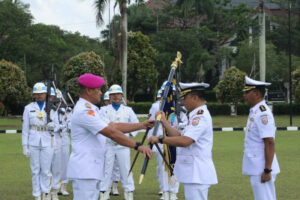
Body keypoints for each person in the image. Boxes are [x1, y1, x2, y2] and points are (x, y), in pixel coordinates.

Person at [66, 73, 153, 200]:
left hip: (91, 168)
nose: (101, 93)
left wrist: (141, 125)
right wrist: (138, 146)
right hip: (85, 170)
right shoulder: (84, 111)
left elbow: (113, 126)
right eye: (98, 90)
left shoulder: (92, 109)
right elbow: (111, 133)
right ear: (89, 91)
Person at [148, 82, 218, 200]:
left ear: (195, 98)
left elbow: (186, 141)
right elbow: (180, 135)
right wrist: (164, 122)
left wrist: (160, 139)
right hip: (192, 172)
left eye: (185, 98)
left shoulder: (200, 117)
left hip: (197, 173)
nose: (182, 102)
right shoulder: (194, 115)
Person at [99, 84, 140, 200]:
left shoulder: (128, 110)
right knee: (107, 170)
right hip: (109, 145)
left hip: (123, 145)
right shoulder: (103, 110)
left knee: (126, 169)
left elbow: (136, 124)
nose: (116, 96)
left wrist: (129, 134)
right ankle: (104, 193)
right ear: (110, 96)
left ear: (122, 95)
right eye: (113, 94)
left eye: (118, 94)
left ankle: (129, 192)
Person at [242, 76, 280, 200]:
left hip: (262, 168)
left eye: (247, 92)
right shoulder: (255, 111)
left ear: (256, 93)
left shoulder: (263, 113)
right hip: (257, 166)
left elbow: (269, 142)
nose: (245, 95)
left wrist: (267, 170)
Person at [22, 82, 54, 200]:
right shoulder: (28, 108)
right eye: (37, 93)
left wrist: (53, 125)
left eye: (41, 93)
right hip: (33, 140)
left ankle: (46, 193)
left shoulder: (51, 107)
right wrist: (25, 146)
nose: (39, 95)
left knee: (46, 170)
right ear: (34, 95)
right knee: (35, 170)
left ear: (46, 94)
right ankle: (37, 194)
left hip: (47, 140)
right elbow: (25, 128)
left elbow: (57, 124)